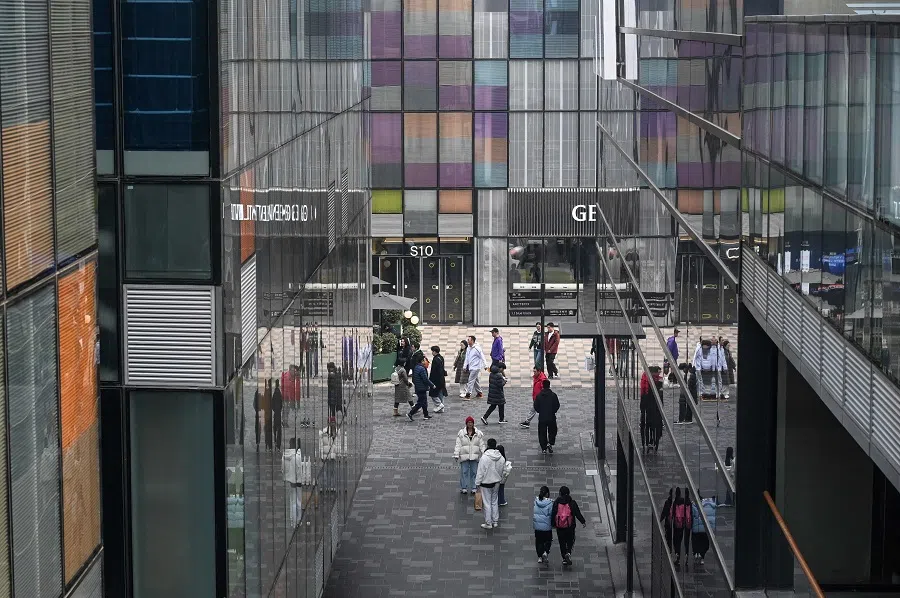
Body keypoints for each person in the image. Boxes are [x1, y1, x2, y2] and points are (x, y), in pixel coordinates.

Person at [475, 438, 506, 529]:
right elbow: (502, 470)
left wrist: (477, 483)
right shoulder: (501, 458)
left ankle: (488, 523)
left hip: (486, 483)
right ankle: (495, 521)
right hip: (496, 482)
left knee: (487, 503)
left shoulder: (484, 458)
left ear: (488, 445)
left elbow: (480, 472)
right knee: (494, 501)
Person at [552, 486, 586, 566]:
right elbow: (577, 513)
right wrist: (583, 521)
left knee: (562, 542)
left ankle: (564, 558)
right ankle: (568, 552)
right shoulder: (572, 502)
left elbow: (553, 513)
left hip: (560, 527)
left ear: (560, 493)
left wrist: (553, 524)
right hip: (570, 527)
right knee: (570, 540)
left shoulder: (557, 502)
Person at [453, 416, 485, 494]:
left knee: (475, 472)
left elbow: (482, 445)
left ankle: (474, 487)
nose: (470, 424)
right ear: (466, 423)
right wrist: (456, 454)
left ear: (473, 423)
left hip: (474, 456)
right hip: (465, 456)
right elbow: (458, 444)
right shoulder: (461, 433)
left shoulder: (478, 434)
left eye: (471, 422)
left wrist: (484, 453)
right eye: (468, 422)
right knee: (464, 472)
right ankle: (464, 487)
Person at [534, 379, 560, 454]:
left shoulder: (539, 396)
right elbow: (557, 405)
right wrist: (553, 411)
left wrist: (540, 412)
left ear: (542, 386)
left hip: (542, 417)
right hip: (551, 416)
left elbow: (536, 406)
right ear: (549, 386)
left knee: (542, 432)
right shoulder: (553, 395)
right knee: (552, 430)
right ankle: (550, 442)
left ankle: (543, 447)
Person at [407, 354, 435, 421]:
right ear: (422, 361)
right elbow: (425, 379)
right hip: (422, 388)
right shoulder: (422, 369)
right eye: (424, 360)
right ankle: (411, 413)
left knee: (424, 402)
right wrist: (432, 385)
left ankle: (426, 414)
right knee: (421, 402)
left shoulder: (416, 367)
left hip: (418, 387)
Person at [691, 493, 716, 565]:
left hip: (697, 528)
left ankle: (696, 553)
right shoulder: (713, 506)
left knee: (697, 541)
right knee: (705, 543)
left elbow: (693, 515)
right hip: (706, 529)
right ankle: (702, 557)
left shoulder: (694, 505)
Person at [669, 487, 691, 566]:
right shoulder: (685, 502)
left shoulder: (675, 502)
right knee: (684, 540)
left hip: (676, 525)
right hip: (683, 524)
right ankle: (686, 556)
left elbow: (671, 514)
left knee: (676, 540)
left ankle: (677, 554)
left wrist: (670, 521)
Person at [533, 486, 554, 564]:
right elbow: (551, 514)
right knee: (548, 540)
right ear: (547, 493)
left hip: (537, 526)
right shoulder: (550, 503)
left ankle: (539, 557)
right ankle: (545, 552)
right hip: (547, 526)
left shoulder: (536, 501)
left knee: (538, 541)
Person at [428, 345, 448, 413]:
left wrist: (431, 379)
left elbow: (434, 371)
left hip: (436, 379)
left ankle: (439, 405)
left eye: (432, 351)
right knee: (440, 393)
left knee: (433, 394)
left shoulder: (435, 359)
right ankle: (441, 408)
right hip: (441, 379)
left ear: (434, 351)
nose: (432, 353)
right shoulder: (441, 358)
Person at [272, 379, 283, 449]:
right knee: (278, 427)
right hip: (278, 412)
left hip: (276, 413)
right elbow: (281, 403)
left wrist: (274, 409)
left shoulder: (275, 393)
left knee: (275, 427)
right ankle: (277, 443)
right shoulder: (279, 393)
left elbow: (272, 402)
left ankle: (275, 440)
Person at [263, 379, 273, 451]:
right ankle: (268, 445)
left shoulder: (266, 392)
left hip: (266, 414)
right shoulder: (269, 392)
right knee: (268, 430)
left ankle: (267, 444)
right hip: (268, 414)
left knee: (267, 429)